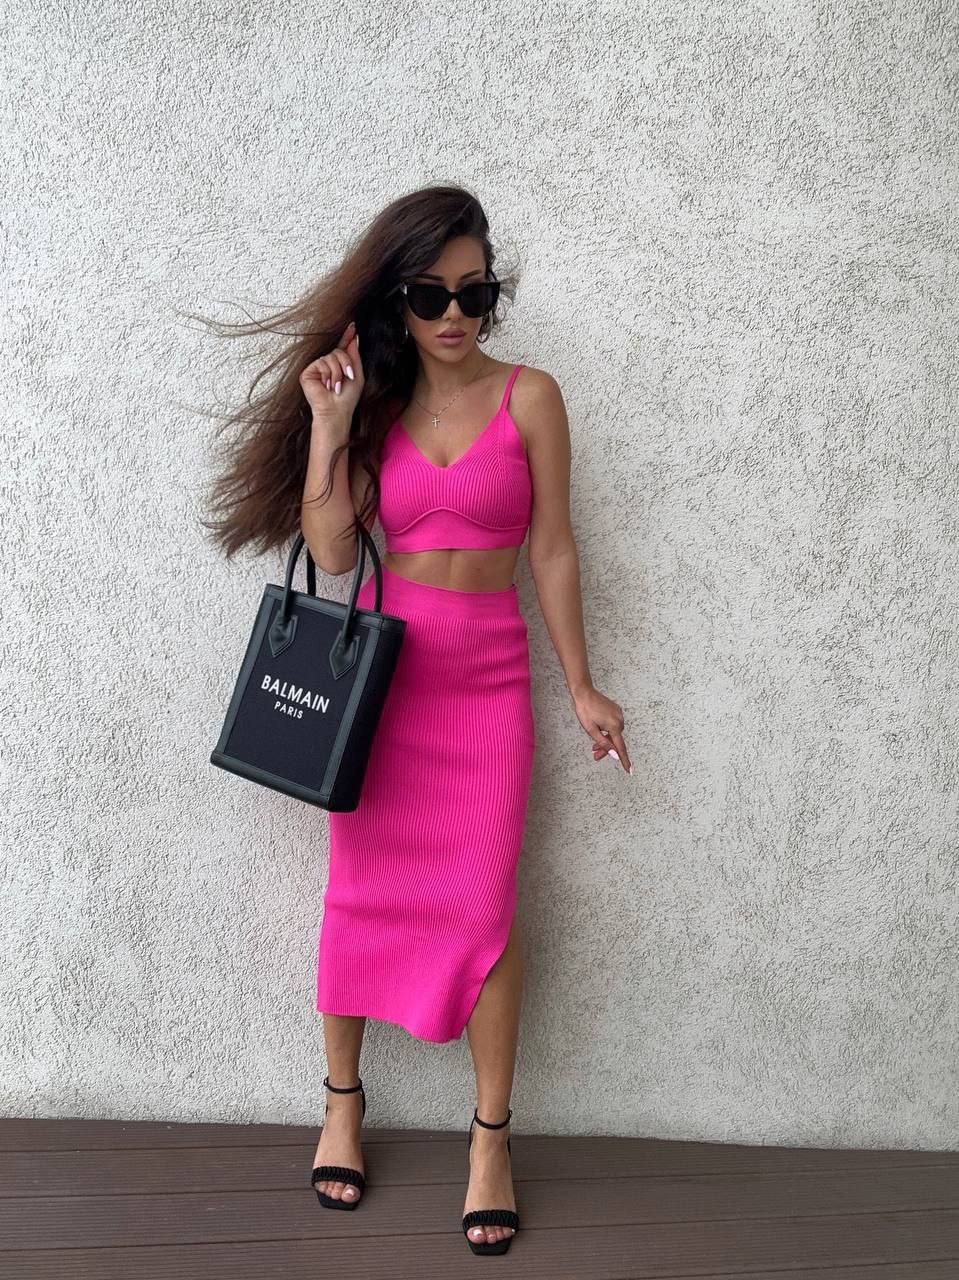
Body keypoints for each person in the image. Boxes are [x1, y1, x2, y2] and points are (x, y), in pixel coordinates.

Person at [199, 184, 630, 1256]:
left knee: (484, 908)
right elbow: (336, 555)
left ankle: (490, 1137)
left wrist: (579, 682)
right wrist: (330, 425)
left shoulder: (531, 397)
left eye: (474, 292)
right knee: (360, 893)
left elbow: (552, 551)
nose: (453, 312)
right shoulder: (377, 409)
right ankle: (340, 1100)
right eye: (431, 292)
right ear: (397, 300)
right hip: (382, 694)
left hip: (485, 690)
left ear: (493, 298)